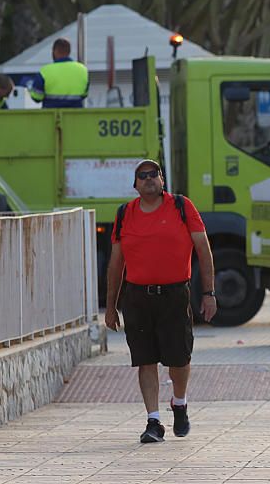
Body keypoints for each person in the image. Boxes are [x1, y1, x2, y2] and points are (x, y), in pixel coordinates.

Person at [104, 159, 216, 443]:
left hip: (174, 295)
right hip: (137, 296)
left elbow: (203, 249)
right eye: (142, 176)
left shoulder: (181, 206)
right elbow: (116, 263)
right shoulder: (125, 213)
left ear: (162, 179)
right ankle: (153, 421)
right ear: (135, 184)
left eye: (154, 174)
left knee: (179, 359)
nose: (149, 178)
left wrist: (209, 293)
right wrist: (111, 307)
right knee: (145, 359)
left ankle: (180, 403)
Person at [29, 37, 89, 108]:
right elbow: (84, 94)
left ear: (55, 51)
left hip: (50, 116)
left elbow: (36, 97)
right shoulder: (83, 70)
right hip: (75, 116)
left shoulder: (45, 71)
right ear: (69, 52)